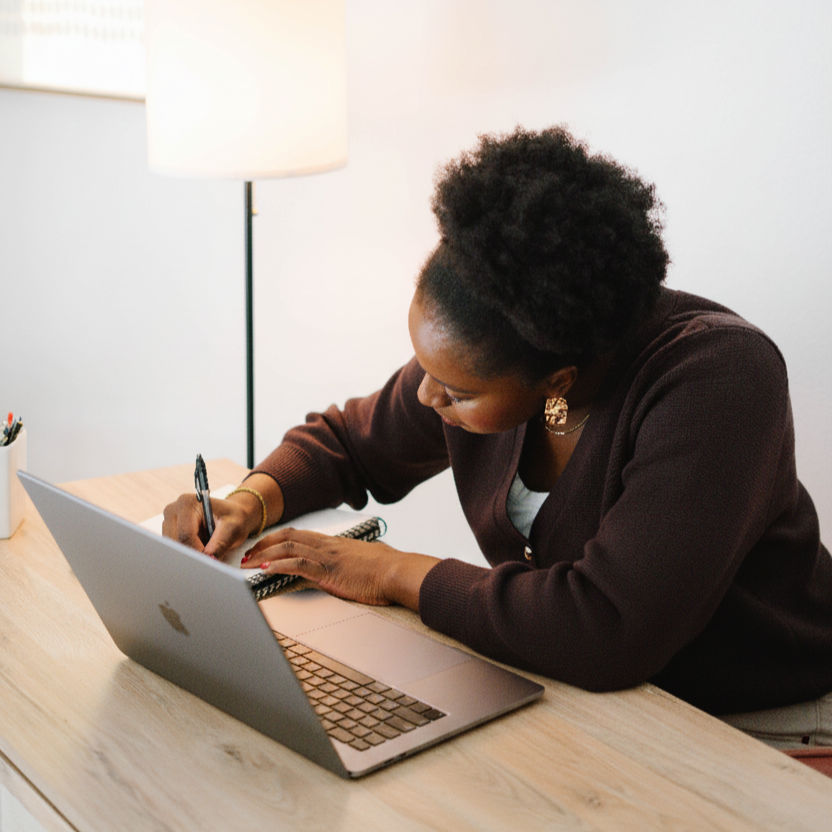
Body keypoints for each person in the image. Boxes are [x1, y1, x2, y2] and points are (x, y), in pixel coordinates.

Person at [163, 126, 832, 749]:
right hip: (586, 698)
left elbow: (606, 628)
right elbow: (346, 442)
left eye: (455, 392)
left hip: (753, 725)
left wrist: (393, 571)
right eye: (424, 369)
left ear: (557, 378)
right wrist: (250, 499)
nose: (426, 398)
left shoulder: (719, 382)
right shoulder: (498, 328)